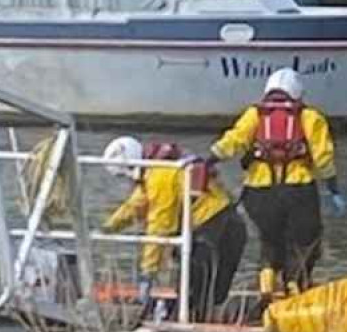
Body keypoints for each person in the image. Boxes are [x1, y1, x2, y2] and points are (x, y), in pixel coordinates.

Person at [208, 68, 347, 301]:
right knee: (305, 242)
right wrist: (333, 189)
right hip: (298, 189)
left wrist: (210, 159)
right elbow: (324, 157)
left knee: (269, 240)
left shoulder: (255, 114)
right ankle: (294, 288)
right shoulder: (310, 117)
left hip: (258, 191)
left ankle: (266, 288)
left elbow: (233, 141)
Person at [102, 137, 247, 322]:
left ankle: (193, 325)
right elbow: (137, 204)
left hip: (213, 230)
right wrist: (111, 226)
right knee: (209, 291)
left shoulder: (160, 177)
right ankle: (204, 318)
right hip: (229, 224)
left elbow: (160, 226)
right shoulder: (160, 170)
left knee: (196, 292)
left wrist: (148, 271)